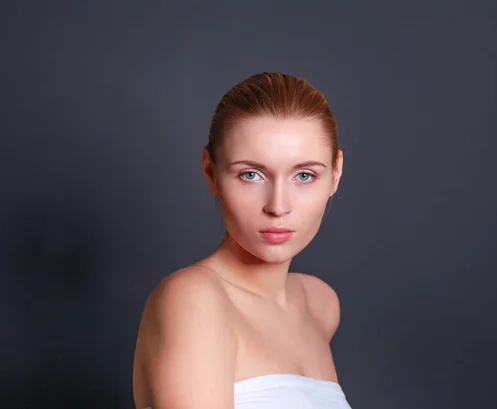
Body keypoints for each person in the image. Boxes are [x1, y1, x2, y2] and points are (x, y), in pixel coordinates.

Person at [132, 72, 352, 409]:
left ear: (335, 173)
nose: (277, 206)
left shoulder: (320, 305)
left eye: (304, 175)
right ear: (211, 172)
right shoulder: (194, 299)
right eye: (251, 174)